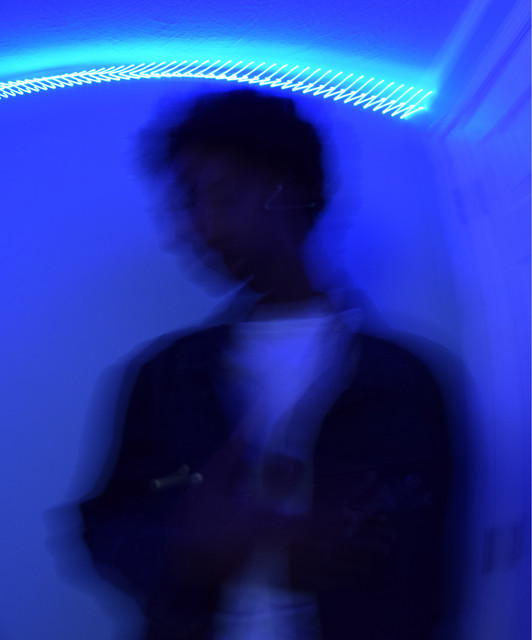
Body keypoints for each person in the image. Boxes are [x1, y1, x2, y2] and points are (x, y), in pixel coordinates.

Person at [79, 89, 453, 639]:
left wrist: (336, 548)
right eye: (186, 204)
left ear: (293, 190)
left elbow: (431, 574)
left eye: (224, 195)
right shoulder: (163, 377)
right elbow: (102, 525)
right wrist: (192, 548)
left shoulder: (407, 382)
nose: (199, 228)